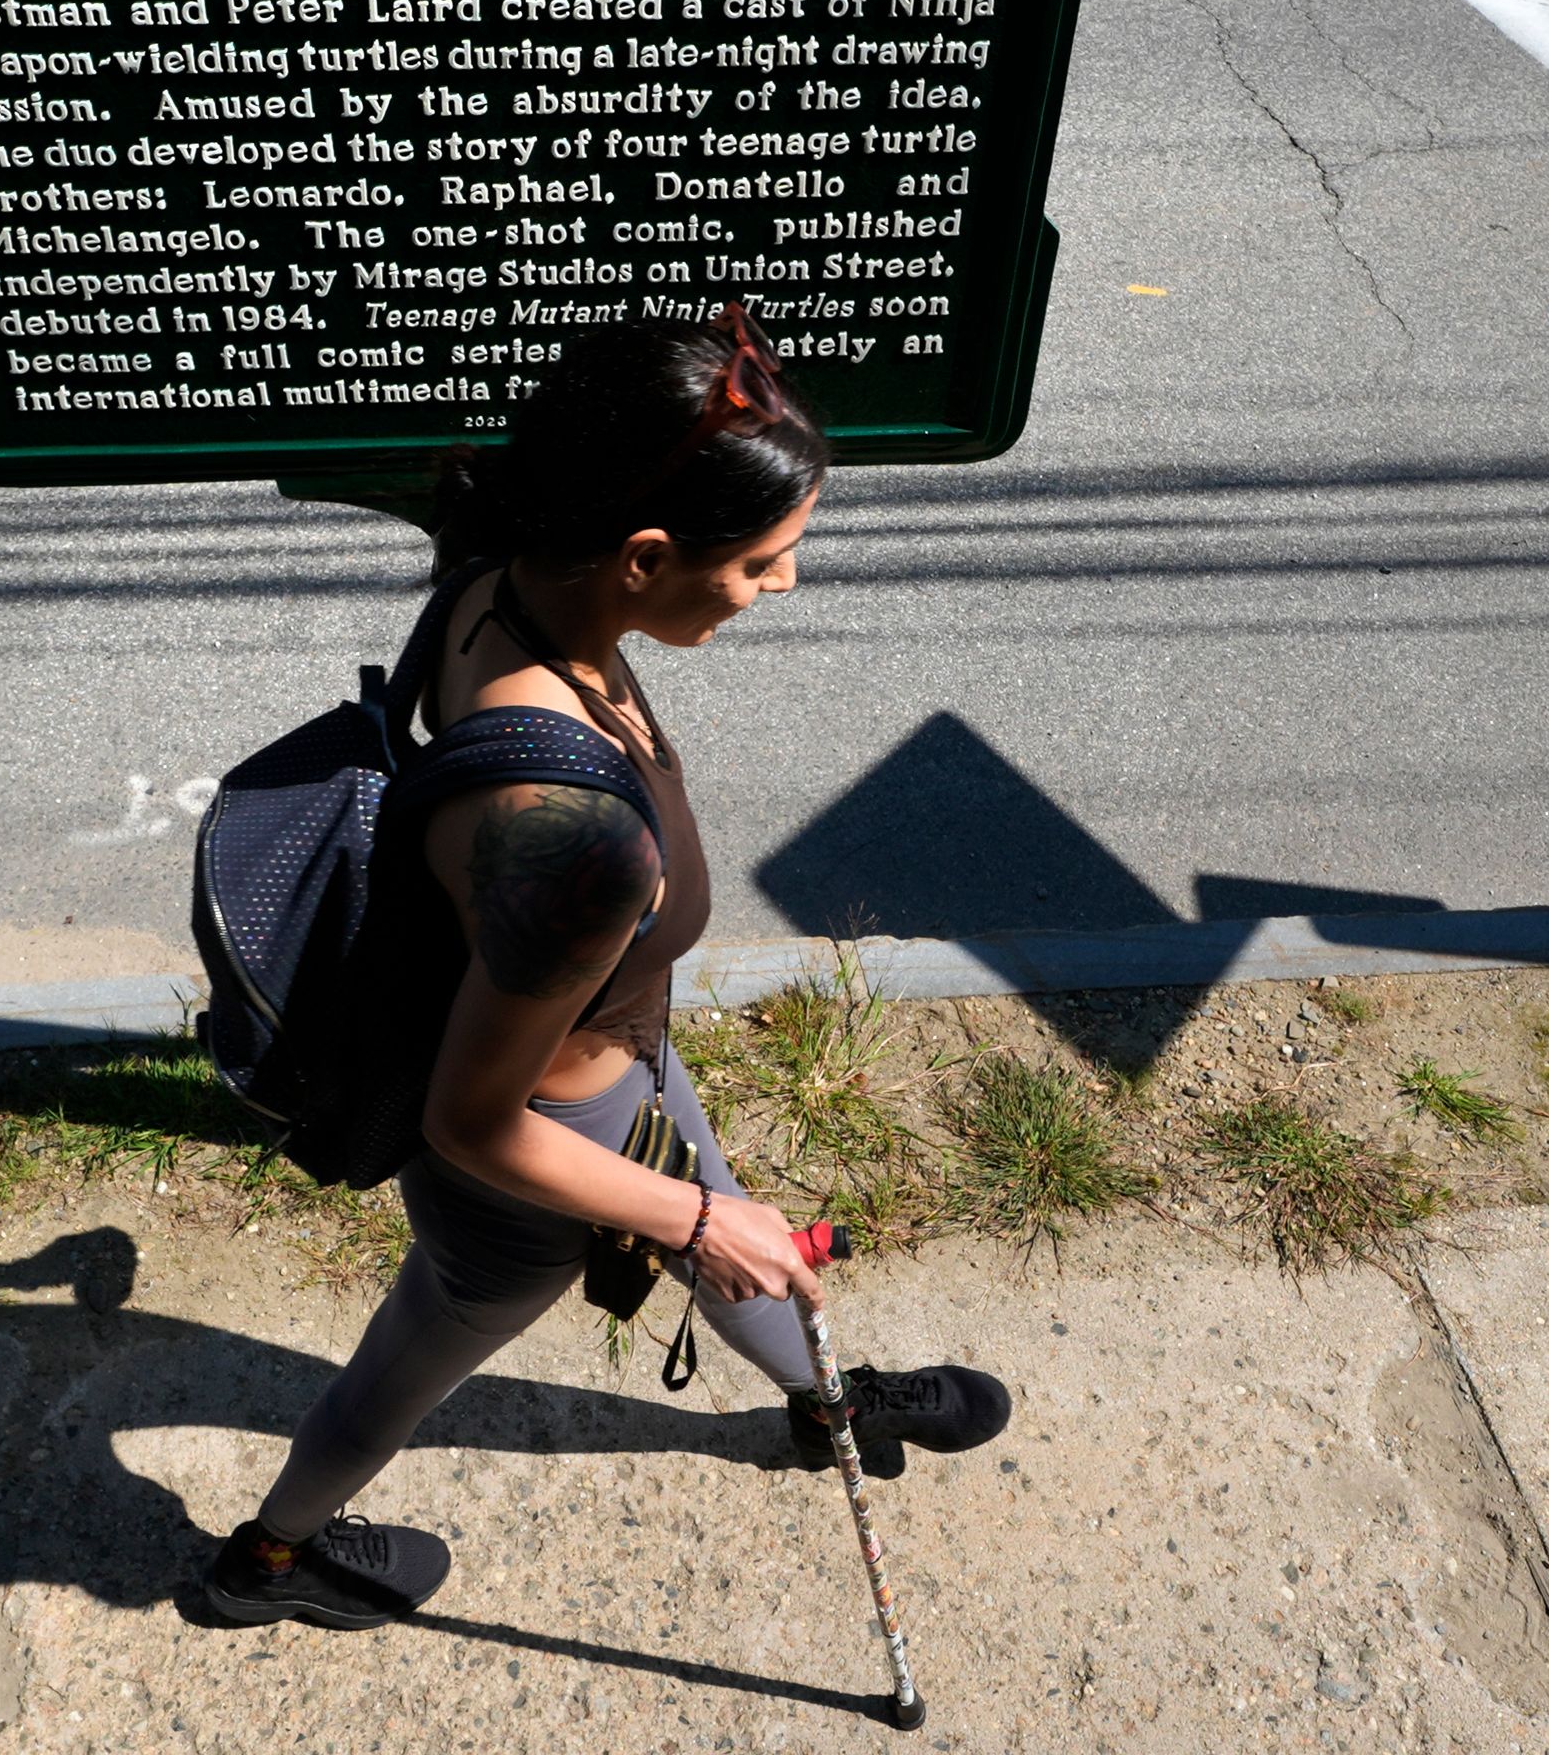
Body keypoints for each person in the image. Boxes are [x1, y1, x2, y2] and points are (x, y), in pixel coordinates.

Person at [205, 306, 1012, 1630]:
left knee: (749, 1235)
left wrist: (708, 1216)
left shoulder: (507, 569)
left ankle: (827, 1401)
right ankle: (269, 1559)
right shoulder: (572, 846)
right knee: (420, 1353)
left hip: (614, 1058)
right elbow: (473, 1122)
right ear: (643, 556)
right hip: (529, 1156)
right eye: (761, 560)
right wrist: (687, 1219)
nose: (782, 586)